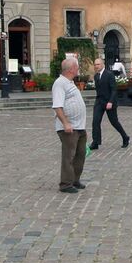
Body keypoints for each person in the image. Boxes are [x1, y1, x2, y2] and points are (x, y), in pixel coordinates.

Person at [52, 54, 89, 194]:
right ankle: (65, 183)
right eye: (77, 67)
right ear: (71, 69)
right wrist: (66, 123)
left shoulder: (70, 82)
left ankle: (75, 179)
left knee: (80, 154)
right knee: (69, 156)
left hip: (79, 126)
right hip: (69, 127)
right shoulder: (60, 83)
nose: (78, 69)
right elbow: (57, 106)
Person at [91, 56, 130, 151]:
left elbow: (114, 90)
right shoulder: (96, 76)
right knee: (95, 121)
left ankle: (125, 137)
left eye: (98, 64)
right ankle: (95, 142)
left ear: (103, 64)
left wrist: (110, 102)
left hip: (109, 102)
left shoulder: (109, 74)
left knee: (114, 122)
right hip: (99, 102)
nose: (96, 66)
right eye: (95, 64)